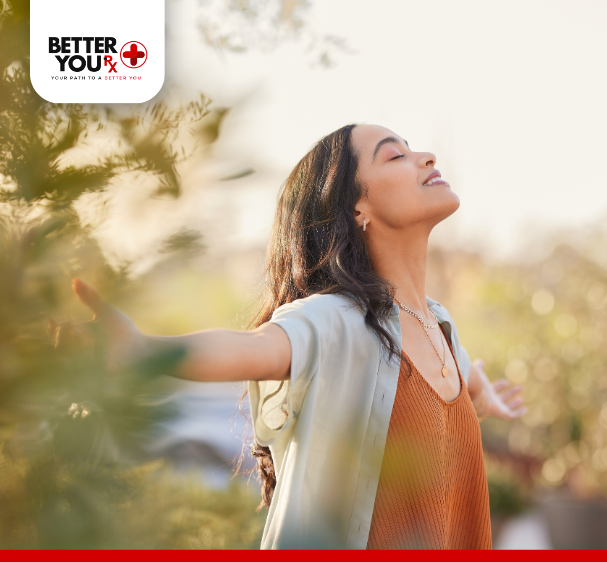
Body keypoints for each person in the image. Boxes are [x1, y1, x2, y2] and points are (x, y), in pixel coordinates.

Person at [69, 123, 527, 550]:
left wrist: (481, 394)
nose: (426, 157)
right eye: (395, 157)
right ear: (356, 209)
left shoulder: (440, 328)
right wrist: (143, 351)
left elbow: (459, 377)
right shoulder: (337, 321)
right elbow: (255, 348)